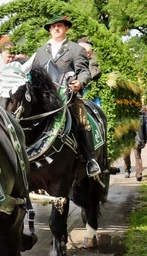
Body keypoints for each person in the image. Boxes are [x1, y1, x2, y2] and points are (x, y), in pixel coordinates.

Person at [31, 15, 101, 176]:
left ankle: (91, 160)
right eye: (53, 26)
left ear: (66, 28)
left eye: (60, 26)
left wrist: (80, 83)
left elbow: (84, 71)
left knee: (82, 120)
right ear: (49, 30)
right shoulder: (40, 52)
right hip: (44, 99)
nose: (56, 28)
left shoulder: (76, 49)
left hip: (68, 97)